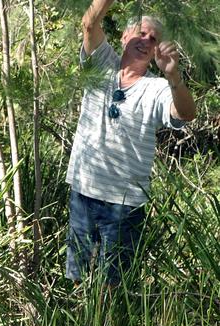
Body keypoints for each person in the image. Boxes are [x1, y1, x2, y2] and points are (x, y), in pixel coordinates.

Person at [66, 0, 196, 286]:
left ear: (156, 52)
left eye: (154, 39)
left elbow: (186, 114)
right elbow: (89, 23)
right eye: (141, 33)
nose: (146, 40)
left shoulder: (158, 87)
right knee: (77, 279)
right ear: (124, 36)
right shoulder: (102, 64)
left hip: (124, 205)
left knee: (112, 287)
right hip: (83, 192)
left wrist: (173, 76)